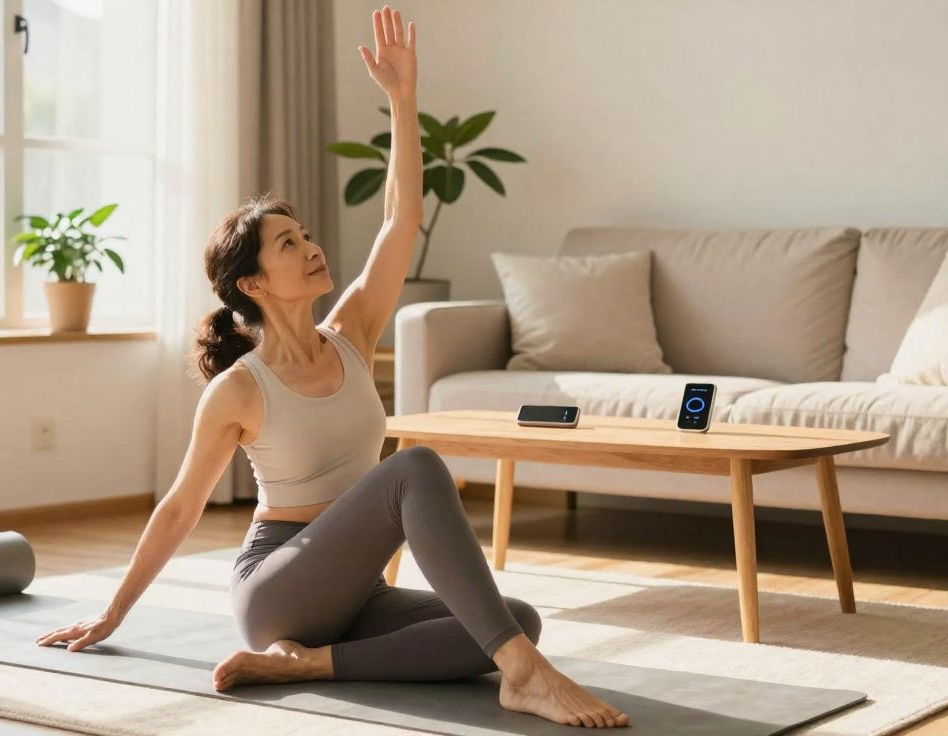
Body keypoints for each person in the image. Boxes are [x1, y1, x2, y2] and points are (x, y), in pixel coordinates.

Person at [36, 5, 629, 729]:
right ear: (251, 284)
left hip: (351, 596)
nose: (311, 246)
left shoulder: (349, 331)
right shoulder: (239, 388)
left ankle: (312, 662)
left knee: (516, 617)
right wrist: (111, 613)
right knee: (415, 471)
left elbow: (399, 221)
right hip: (279, 587)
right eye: (288, 244)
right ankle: (524, 677)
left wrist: (402, 101)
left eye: (306, 234)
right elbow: (181, 507)